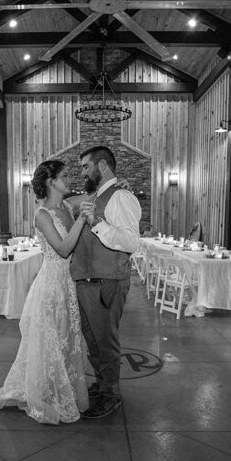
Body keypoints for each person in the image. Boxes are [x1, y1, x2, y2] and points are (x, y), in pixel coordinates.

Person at [0, 160, 90, 424]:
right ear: (51, 182)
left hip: (68, 282)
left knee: (67, 338)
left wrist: (120, 188)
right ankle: (39, 392)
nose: (70, 179)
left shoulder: (66, 205)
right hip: (51, 284)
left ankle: (60, 388)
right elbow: (64, 248)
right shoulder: (42, 215)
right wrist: (81, 220)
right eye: (65, 176)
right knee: (50, 340)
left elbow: (90, 196)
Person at [71, 145, 141, 419]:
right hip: (89, 281)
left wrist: (96, 223)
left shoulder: (120, 196)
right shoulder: (97, 195)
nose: (82, 172)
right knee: (94, 341)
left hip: (106, 281)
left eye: (85, 166)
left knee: (105, 342)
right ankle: (102, 385)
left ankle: (111, 395)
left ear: (101, 167)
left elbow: (131, 242)